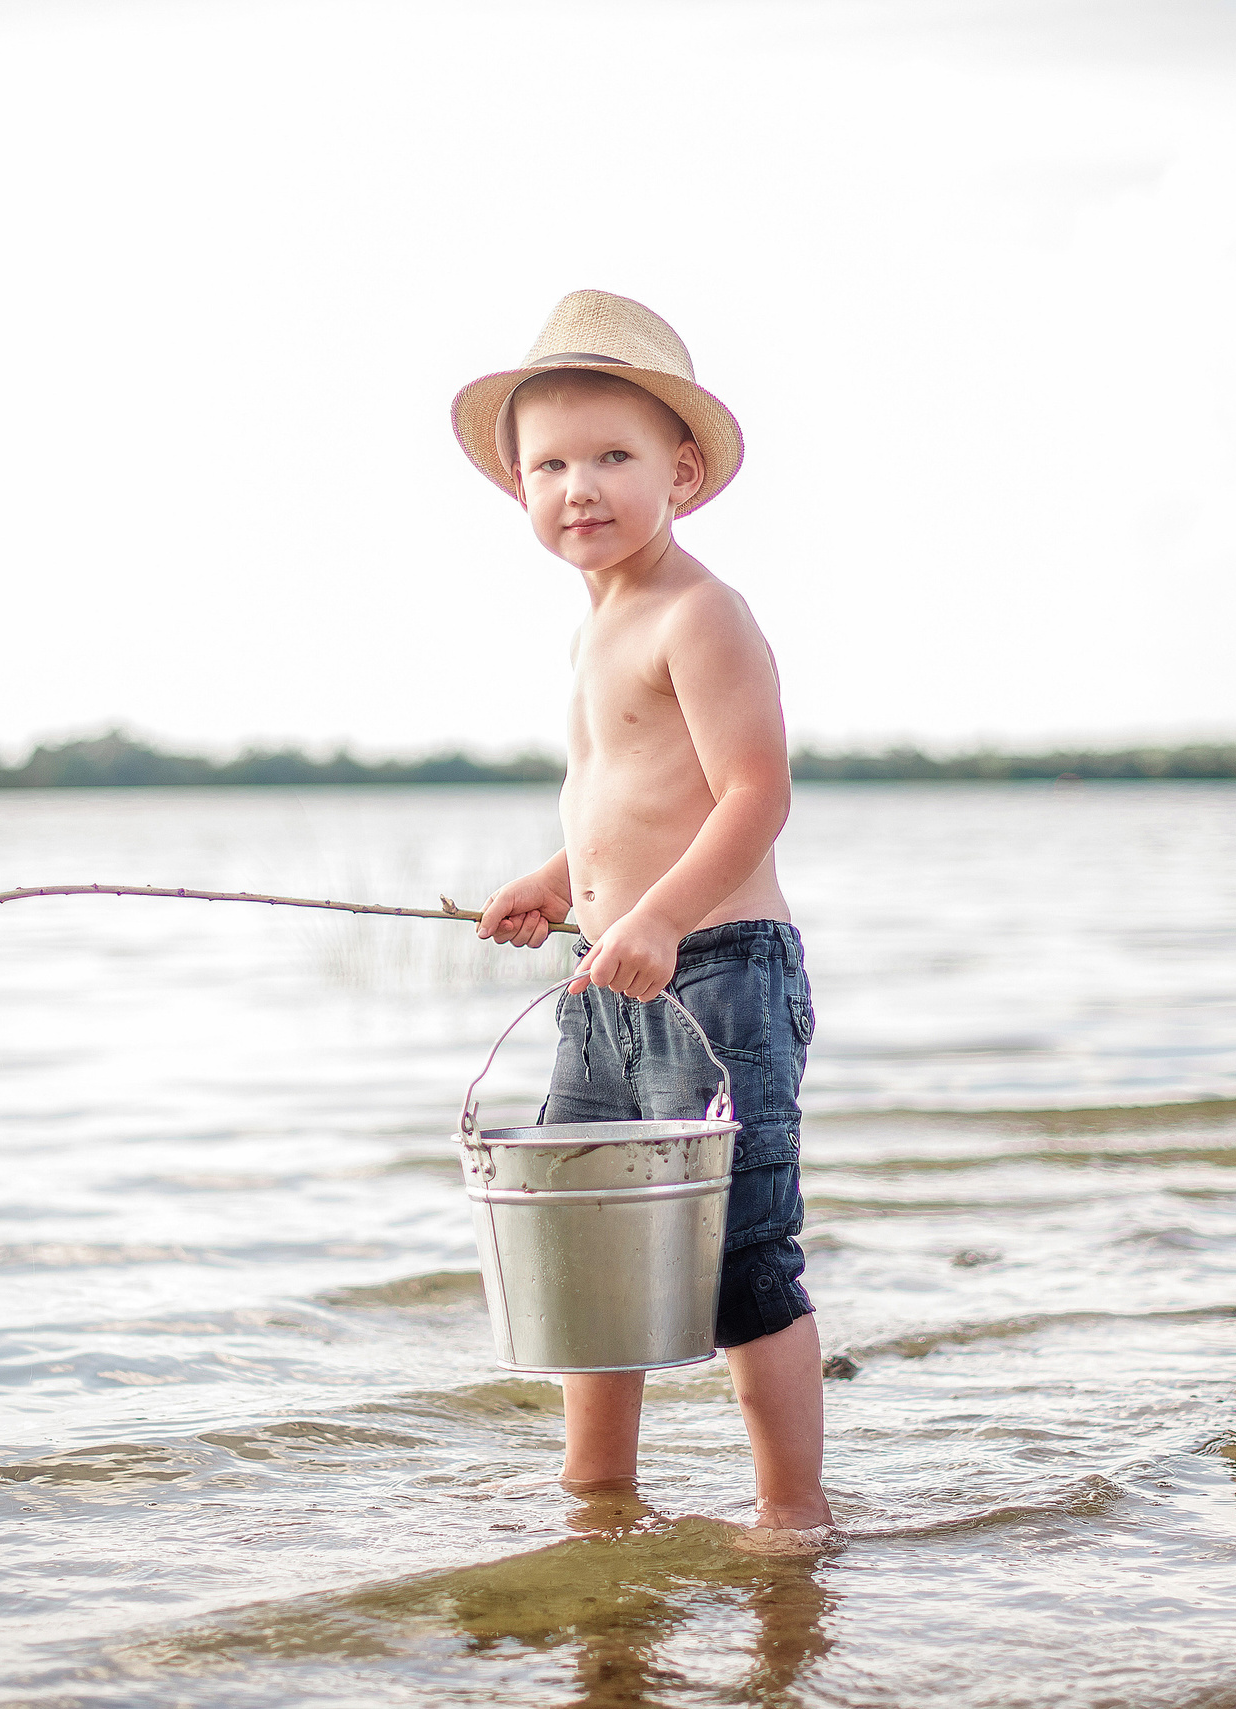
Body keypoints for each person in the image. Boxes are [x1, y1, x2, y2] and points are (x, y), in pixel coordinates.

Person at [456, 289, 832, 1554]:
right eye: (549, 463)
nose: (579, 486)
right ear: (519, 488)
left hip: (717, 973)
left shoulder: (699, 610)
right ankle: (595, 1489)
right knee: (584, 1241)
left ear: (679, 471)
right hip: (605, 978)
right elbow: (628, 793)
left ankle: (790, 1508)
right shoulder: (593, 623)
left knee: (744, 1255)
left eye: (611, 456)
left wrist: (663, 917)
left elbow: (751, 793)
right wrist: (558, 880)